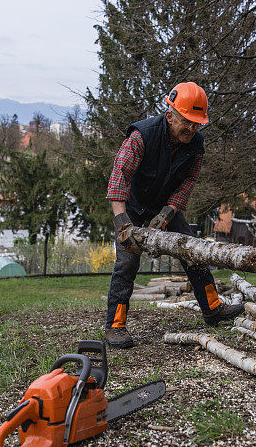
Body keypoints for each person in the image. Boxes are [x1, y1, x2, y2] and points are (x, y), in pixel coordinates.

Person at [105, 81, 244, 349]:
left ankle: (212, 307)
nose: (191, 129)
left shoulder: (196, 145)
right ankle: (115, 325)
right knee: (127, 263)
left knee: (192, 250)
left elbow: (188, 183)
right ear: (170, 115)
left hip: (165, 203)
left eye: (197, 123)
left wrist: (168, 212)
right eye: (186, 121)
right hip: (131, 204)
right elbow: (119, 176)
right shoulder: (142, 135)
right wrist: (122, 221)